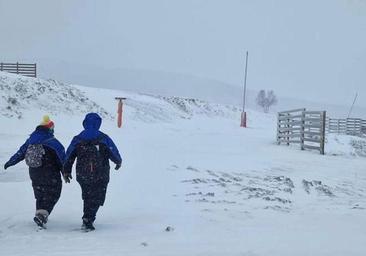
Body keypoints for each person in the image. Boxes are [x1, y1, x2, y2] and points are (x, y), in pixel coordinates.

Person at [63, 112, 122, 231]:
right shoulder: (104, 138)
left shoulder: (78, 138)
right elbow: (113, 152)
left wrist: (66, 170)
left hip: (82, 173)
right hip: (101, 173)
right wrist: (118, 162)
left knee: (88, 195)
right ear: (98, 123)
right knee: (97, 196)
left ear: (85, 123)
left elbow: (69, 155)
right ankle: (88, 218)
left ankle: (88, 217)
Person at [4, 115, 65, 228]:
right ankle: (42, 215)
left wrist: (10, 162)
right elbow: (62, 158)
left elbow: (20, 152)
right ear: (50, 129)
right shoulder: (52, 141)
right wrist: (65, 172)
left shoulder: (31, 140)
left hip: (34, 172)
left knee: (40, 193)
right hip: (50, 172)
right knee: (54, 192)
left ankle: (40, 214)